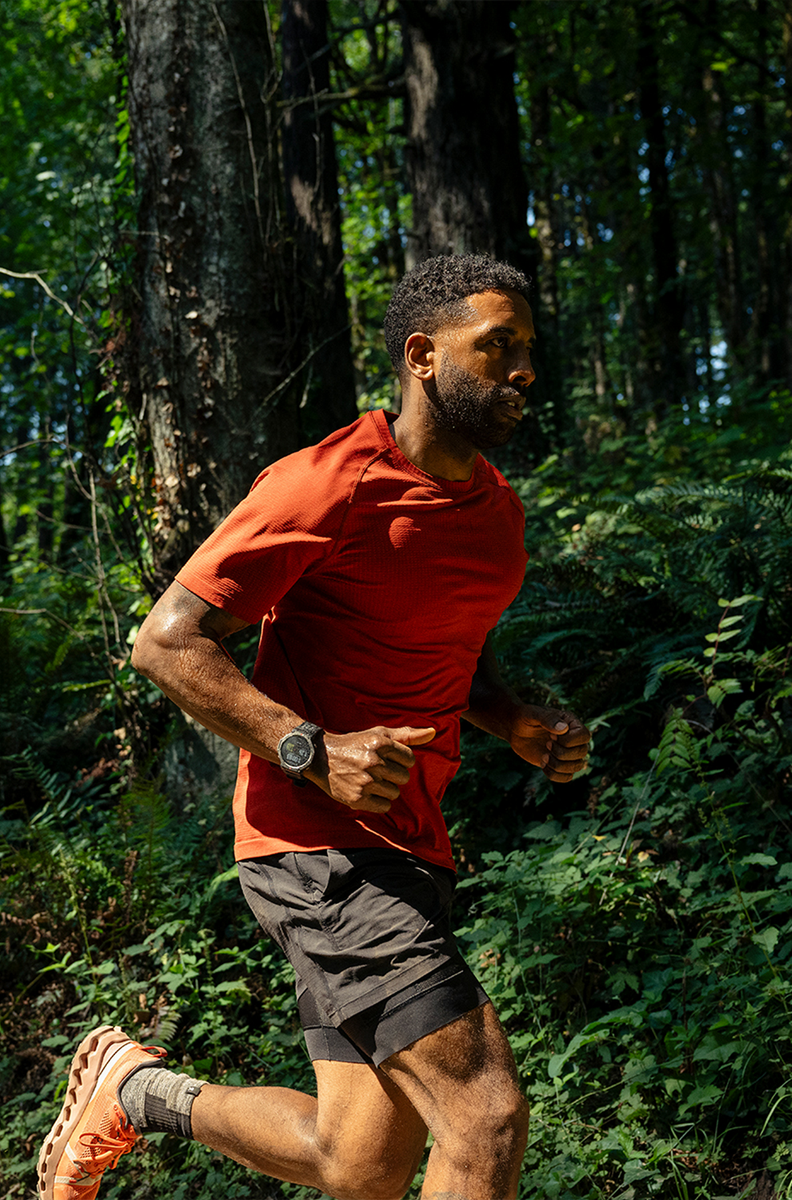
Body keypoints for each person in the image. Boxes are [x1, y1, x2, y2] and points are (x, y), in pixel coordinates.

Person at [38, 253, 590, 1200]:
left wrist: (515, 721)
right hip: (317, 849)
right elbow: (165, 643)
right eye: (498, 347)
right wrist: (311, 750)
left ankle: (134, 1090)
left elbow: (453, 650)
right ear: (423, 354)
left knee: (357, 1163)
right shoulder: (328, 482)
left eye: (528, 349)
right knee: (484, 1117)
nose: (524, 370)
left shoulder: (496, 514)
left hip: (413, 845)